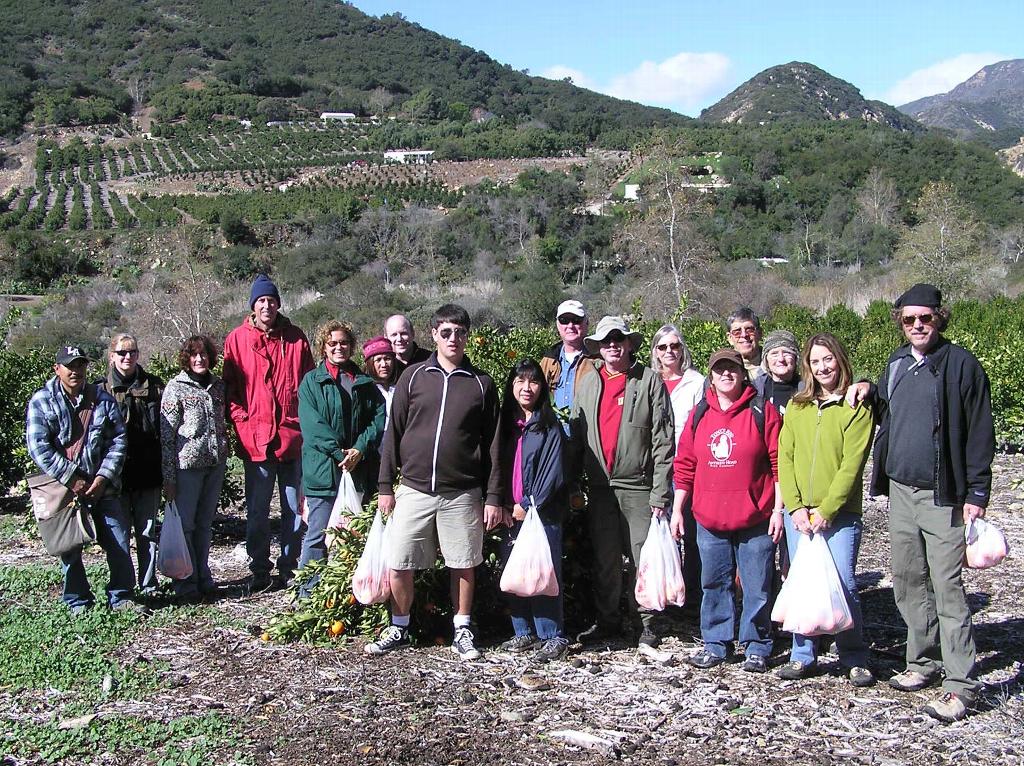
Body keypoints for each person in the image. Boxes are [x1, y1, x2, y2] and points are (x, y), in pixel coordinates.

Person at [860, 283, 994, 722]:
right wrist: (867, 387)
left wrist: (977, 492)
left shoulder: (962, 366)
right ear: (900, 322)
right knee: (908, 580)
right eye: (908, 319)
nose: (917, 325)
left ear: (940, 317)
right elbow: (886, 410)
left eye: (925, 317)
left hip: (944, 495)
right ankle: (922, 661)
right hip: (901, 491)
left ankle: (961, 685)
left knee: (947, 588)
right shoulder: (897, 363)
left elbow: (980, 432)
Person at [367, 304, 502, 660]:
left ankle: (462, 629)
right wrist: (385, 487)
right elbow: (393, 434)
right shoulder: (413, 377)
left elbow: (493, 444)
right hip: (413, 488)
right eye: (446, 332)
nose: (453, 339)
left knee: (464, 562)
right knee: (399, 561)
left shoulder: (482, 384)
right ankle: (399, 626)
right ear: (434, 335)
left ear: (467, 336)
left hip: (462, 492)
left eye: (460, 332)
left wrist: (493, 496)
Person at [671, 348, 783, 672]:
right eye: (719, 369)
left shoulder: (762, 411)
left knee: (757, 585)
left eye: (732, 368)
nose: (726, 374)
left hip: (755, 517)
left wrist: (778, 510)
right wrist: (678, 510)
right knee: (713, 584)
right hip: (709, 518)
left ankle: (756, 645)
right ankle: (716, 643)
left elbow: (780, 464)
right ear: (711, 375)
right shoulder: (700, 413)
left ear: (743, 373)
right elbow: (685, 464)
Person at [776, 333, 876, 686]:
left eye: (828, 359)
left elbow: (852, 465)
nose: (822, 368)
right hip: (800, 513)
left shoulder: (856, 407)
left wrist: (828, 510)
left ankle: (853, 655)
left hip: (840, 514)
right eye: (815, 361)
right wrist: (794, 507)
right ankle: (803, 654)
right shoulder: (797, 406)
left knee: (843, 583)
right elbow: (785, 457)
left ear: (840, 361)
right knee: (802, 581)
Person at [570, 316, 674, 648]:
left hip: (639, 487)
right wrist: (573, 483)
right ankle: (608, 622)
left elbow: (663, 440)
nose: (613, 345)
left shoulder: (649, 380)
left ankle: (647, 622)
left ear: (629, 343)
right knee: (606, 559)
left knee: (643, 557)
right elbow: (576, 436)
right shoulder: (588, 382)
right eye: (606, 340)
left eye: (618, 338)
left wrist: (660, 491)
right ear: (598, 347)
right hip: (600, 488)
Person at [223, 275, 315, 592]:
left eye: (271, 300)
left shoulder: (296, 338)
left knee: (293, 511)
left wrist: (303, 425)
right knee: (257, 511)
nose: (267, 306)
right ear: (253, 305)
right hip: (256, 441)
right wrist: (242, 423)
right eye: (261, 300)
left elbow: (309, 386)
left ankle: (289, 566)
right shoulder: (237, 339)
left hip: (292, 438)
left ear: (278, 304)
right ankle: (260, 569)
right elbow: (231, 391)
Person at [26, 344, 133, 614]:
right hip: (64, 490)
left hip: (103, 488)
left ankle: (121, 596)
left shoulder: (102, 399)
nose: (76, 371)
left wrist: (103, 477)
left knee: (118, 542)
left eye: (80, 365)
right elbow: (38, 447)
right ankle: (78, 600)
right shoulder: (42, 401)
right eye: (70, 366)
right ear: (57, 369)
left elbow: (118, 440)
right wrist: (71, 478)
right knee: (70, 547)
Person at [297, 322, 386, 598]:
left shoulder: (363, 381)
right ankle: (307, 594)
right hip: (324, 470)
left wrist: (359, 449)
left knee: (353, 533)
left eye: (344, 343)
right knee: (318, 534)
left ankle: (348, 595)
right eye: (332, 343)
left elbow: (377, 418)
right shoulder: (312, 382)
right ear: (323, 347)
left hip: (357, 470)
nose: (339, 348)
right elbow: (313, 425)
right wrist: (340, 454)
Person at [496, 358, 570, 663]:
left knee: (543, 572)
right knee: (515, 572)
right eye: (520, 381)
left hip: (541, 513)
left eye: (534, 381)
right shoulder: (505, 426)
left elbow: (553, 473)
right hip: (508, 513)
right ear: (511, 386)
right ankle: (522, 631)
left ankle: (552, 635)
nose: (527, 388)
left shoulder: (549, 426)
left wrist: (528, 506)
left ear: (542, 388)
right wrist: (501, 504)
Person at [160, 335, 230, 603]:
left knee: (204, 524)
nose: (199, 359)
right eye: (194, 355)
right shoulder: (176, 387)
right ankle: (186, 582)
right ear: (186, 358)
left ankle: (203, 575)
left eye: (203, 354)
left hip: (215, 464)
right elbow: (167, 436)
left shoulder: (218, 386)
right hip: (186, 467)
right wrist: (169, 477)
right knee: (186, 526)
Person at [97, 333, 164, 595]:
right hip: (115, 477)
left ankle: (149, 585)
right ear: (111, 356)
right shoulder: (100, 390)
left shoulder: (155, 387)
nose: (128, 357)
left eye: (132, 352)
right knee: (119, 536)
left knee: (147, 533)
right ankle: (123, 587)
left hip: (148, 473)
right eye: (122, 353)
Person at [650, 324, 705, 606]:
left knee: (690, 533)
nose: (669, 351)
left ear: (683, 349)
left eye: (675, 346)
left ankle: (693, 595)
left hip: (687, 468)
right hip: (656, 468)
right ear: (655, 352)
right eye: (663, 346)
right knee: (662, 531)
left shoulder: (697, 382)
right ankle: (667, 592)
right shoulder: (649, 381)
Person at [540, 300, 596, 415]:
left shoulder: (598, 359)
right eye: (564, 320)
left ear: (586, 323)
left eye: (576, 320)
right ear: (557, 325)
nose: (570, 326)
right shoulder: (548, 361)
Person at [756, 330, 801, 415]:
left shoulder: (808, 388)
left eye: (786, 353)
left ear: (796, 358)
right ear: (766, 360)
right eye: (774, 354)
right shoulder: (756, 389)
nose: (781, 359)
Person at [361, 335, 398, 429]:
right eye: (378, 360)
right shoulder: (364, 391)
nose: (384, 364)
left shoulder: (400, 387)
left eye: (387, 359)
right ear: (370, 364)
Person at [725, 307, 765, 384]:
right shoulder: (720, 372)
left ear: (760, 333)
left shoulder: (775, 367)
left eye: (749, 330)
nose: (744, 335)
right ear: (730, 338)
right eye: (737, 332)